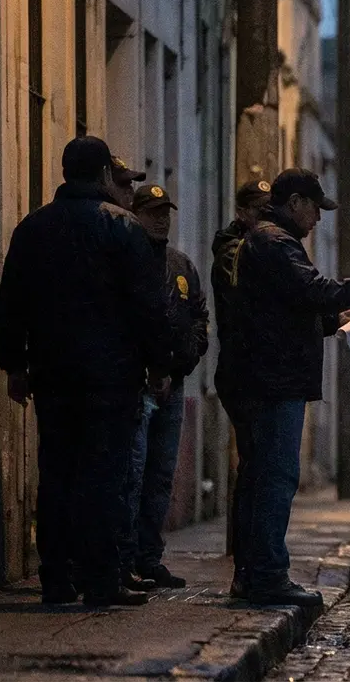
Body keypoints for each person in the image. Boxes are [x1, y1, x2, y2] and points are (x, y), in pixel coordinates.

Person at [0, 136, 173, 607]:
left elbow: (10, 304)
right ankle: (101, 579)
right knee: (105, 476)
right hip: (111, 376)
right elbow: (148, 305)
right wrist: (160, 364)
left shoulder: (33, 228)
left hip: (53, 374)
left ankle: (56, 578)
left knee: (57, 473)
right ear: (103, 175)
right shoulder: (122, 228)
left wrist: (15, 365)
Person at [227, 168, 350, 606]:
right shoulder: (276, 243)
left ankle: (253, 573)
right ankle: (267, 575)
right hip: (274, 380)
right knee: (275, 477)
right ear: (296, 203)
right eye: (315, 209)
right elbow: (311, 289)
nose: (318, 219)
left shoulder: (268, 241)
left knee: (263, 476)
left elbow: (289, 309)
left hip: (267, 376)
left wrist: (336, 319)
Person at [119, 184, 209, 589]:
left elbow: (198, 319)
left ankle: (149, 556)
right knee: (132, 473)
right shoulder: (126, 260)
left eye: (165, 213)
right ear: (135, 214)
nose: (161, 220)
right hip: (137, 387)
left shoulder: (180, 265)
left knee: (160, 475)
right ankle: (124, 558)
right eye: (152, 212)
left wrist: (180, 366)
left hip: (173, 386)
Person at [211, 179, 273, 599]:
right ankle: (247, 567)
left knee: (257, 468)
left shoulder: (257, 248)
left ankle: (250, 565)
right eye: (261, 210)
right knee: (255, 470)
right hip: (245, 371)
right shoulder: (236, 253)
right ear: (244, 212)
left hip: (255, 371)